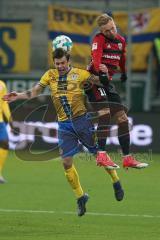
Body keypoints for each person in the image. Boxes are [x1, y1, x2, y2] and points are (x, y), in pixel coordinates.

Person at [3, 48, 124, 217]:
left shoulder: (80, 74)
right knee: (66, 162)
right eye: (57, 63)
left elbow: (101, 82)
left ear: (68, 61)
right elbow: (35, 92)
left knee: (99, 155)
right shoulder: (49, 75)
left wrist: (105, 72)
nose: (59, 66)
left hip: (82, 122)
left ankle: (116, 181)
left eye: (62, 63)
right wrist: (18, 96)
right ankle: (81, 197)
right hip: (64, 126)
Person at [86, 13, 148, 169]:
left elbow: (122, 58)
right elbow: (97, 57)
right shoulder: (99, 39)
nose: (111, 32)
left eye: (112, 28)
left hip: (107, 82)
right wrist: (101, 73)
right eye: (107, 31)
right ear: (101, 31)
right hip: (93, 80)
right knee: (105, 114)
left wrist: (124, 72)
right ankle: (101, 155)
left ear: (114, 25)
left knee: (123, 119)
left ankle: (127, 158)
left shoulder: (121, 41)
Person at [0, 80, 12, 183]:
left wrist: (9, 117)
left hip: (0, 122)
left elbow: (4, 103)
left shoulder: (1, 85)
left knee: (5, 143)